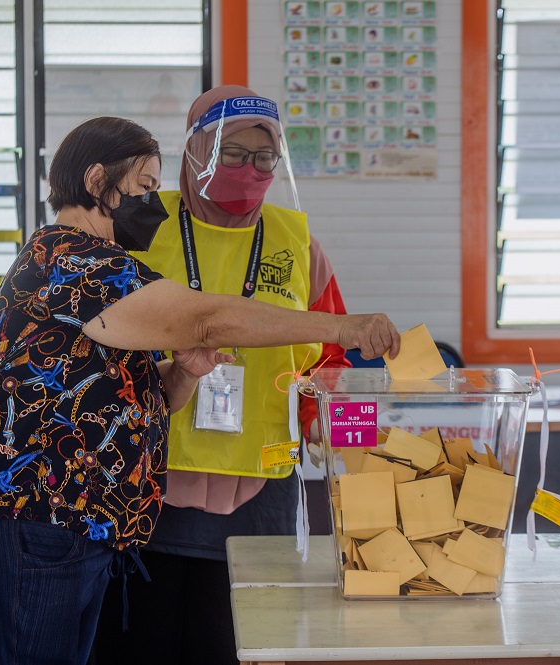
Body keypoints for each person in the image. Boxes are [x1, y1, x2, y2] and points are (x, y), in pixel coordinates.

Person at [0, 115, 400, 665]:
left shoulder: (99, 265)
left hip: (71, 524)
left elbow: (129, 393)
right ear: (95, 181)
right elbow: (206, 318)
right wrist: (340, 327)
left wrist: (182, 372)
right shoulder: (72, 263)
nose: (152, 205)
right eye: (143, 188)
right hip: (32, 520)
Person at [91, 85, 358, 665]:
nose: (251, 169)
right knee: (143, 643)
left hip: (259, 493)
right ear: (195, 152)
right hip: (149, 489)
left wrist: (324, 423)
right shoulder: (140, 227)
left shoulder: (297, 243)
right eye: (234, 153)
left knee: (238, 646)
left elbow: (330, 357)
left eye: (265, 157)